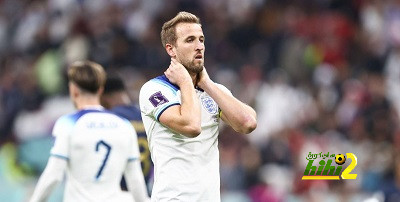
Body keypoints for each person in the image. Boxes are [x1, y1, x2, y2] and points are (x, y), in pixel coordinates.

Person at [139, 11, 257, 201]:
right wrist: (186, 82)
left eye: (201, 40)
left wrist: (207, 84)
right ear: (171, 49)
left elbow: (248, 123)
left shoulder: (213, 90)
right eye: (190, 40)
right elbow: (192, 126)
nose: (199, 46)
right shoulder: (154, 89)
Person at [30, 61, 149, 202]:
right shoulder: (123, 125)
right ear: (100, 90)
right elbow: (135, 180)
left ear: (73, 90)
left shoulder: (68, 123)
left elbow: (54, 175)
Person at [100, 73, 153, 195]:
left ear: (103, 96)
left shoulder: (109, 119)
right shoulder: (144, 116)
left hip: (117, 192)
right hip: (143, 191)